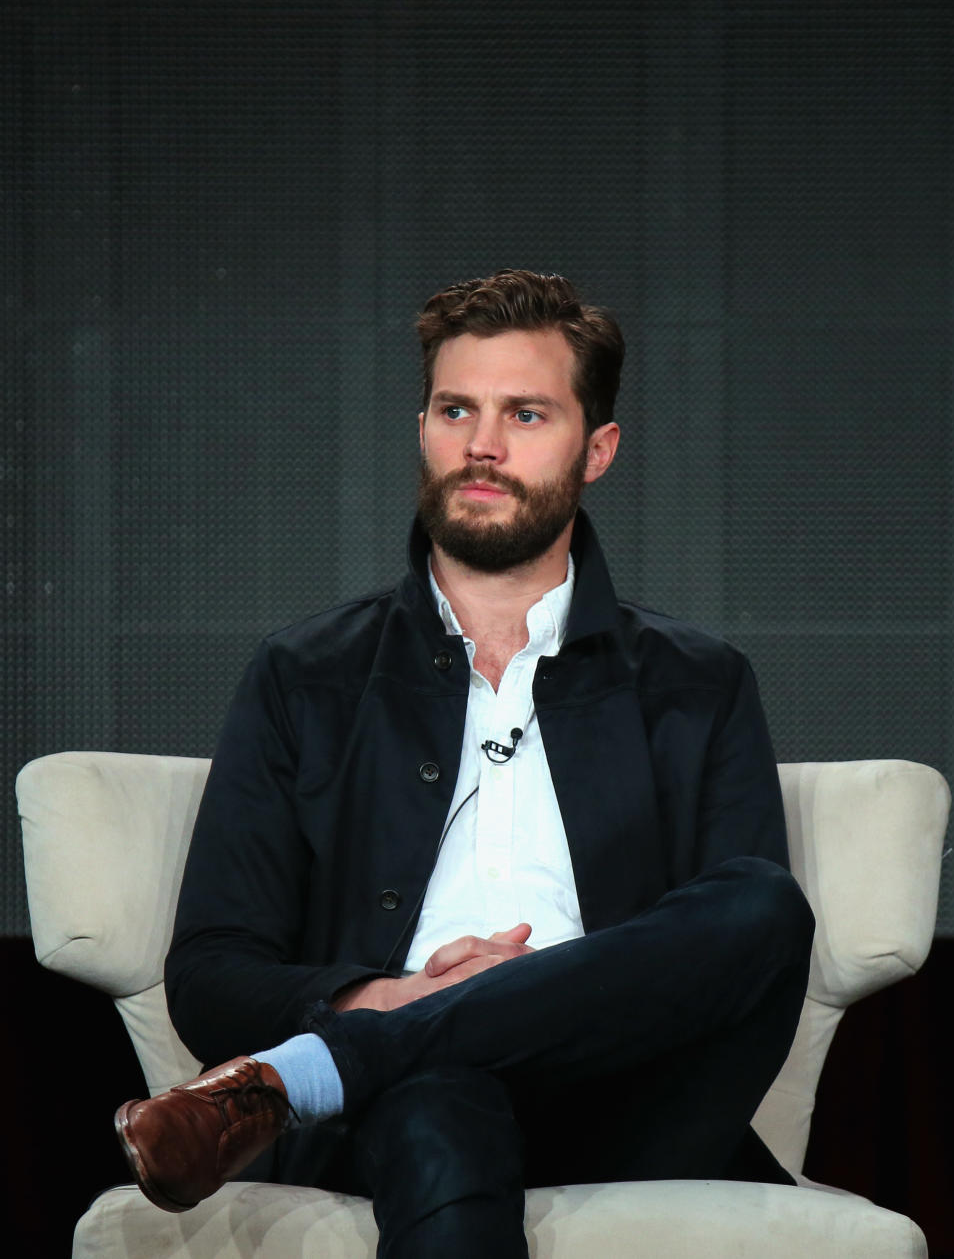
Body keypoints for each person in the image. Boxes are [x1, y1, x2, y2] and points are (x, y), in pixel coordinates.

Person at [115, 269, 814, 1258]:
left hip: (636, 1099)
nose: (482, 445)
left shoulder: (699, 684)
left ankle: (316, 1070)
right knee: (438, 1095)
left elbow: (737, 960)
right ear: (424, 427)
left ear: (598, 449)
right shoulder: (304, 676)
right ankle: (377, 1055)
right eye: (456, 409)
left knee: (762, 903)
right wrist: (386, 996)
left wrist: (475, 1007)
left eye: (526, 413)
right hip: (406, 1114)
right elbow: (211, 971)